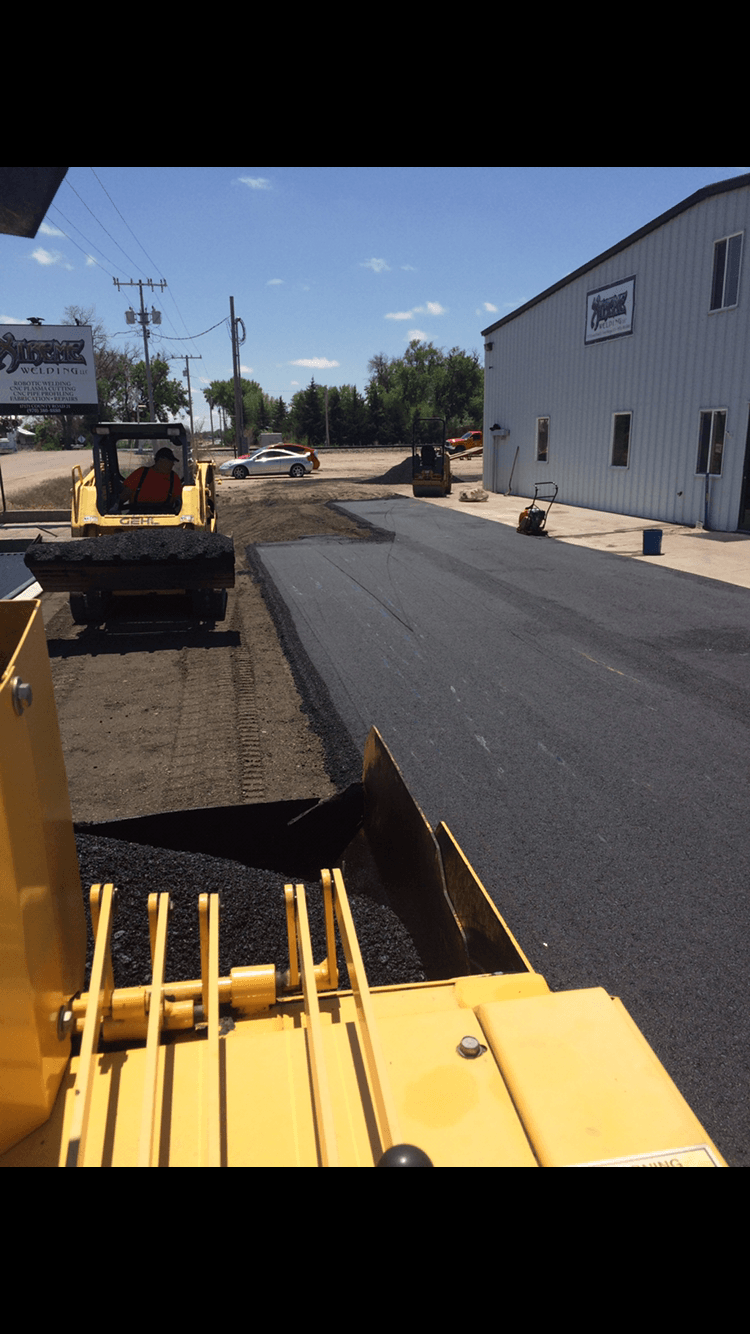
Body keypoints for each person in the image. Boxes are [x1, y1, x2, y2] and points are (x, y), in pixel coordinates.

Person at [120, 447, 183, 513]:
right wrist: (115, 507)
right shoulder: (141, 473)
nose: (173, 464)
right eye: (170, 461)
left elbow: (179, 499)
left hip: (164, 516)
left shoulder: (174, 477)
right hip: (138, 514)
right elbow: (125, 494)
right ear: (160, 460)